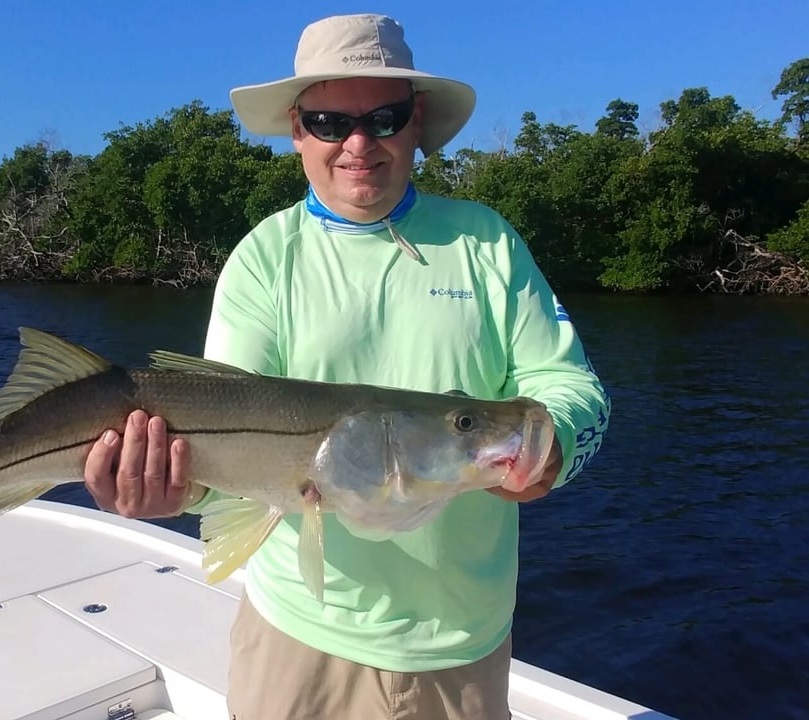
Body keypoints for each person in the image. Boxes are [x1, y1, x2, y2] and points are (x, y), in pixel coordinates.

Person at [82, 12, 611, 720]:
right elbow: (229, 469)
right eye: (330, 121)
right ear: (298, 131)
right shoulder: (264, 261)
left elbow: (573, 388)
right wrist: (170, 492)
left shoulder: (488, 243)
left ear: (417, 121)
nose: (358, 143)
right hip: (297, 641)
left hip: (459, 647)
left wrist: (558, 446)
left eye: (384, 117)